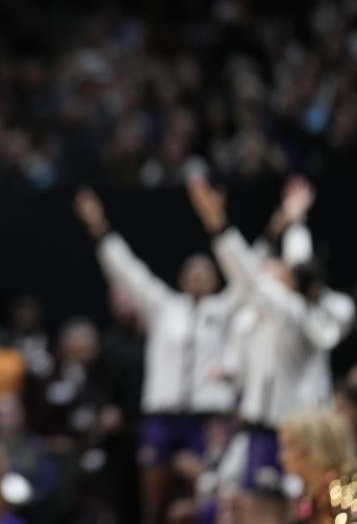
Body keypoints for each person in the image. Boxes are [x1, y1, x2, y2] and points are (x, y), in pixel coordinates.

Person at [74, 187, 238, 524]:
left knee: (205, 497)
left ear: (216, 280)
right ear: (180, 279)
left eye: (205, 273)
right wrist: (99, 227)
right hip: (162, 416)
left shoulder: (225, 310)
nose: (197, 279)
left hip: (207, 416)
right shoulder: (164, 307)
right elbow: (128, 272)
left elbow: (250, 275)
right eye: (191, 273)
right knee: (154, 503)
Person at [187, 174, 355, 498]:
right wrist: (295, 222)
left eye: (275, 269)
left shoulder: (297, 312)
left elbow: (261, 278)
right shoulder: (261, 316)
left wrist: (219, 227)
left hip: (299, 432)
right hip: (261, 431)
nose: (268, 269)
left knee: (313, 505)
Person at [278, 408, 357, 524]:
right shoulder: (311, 494)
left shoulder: (348, 498)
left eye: (288, 446)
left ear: (315, 447)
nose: (281, 457)